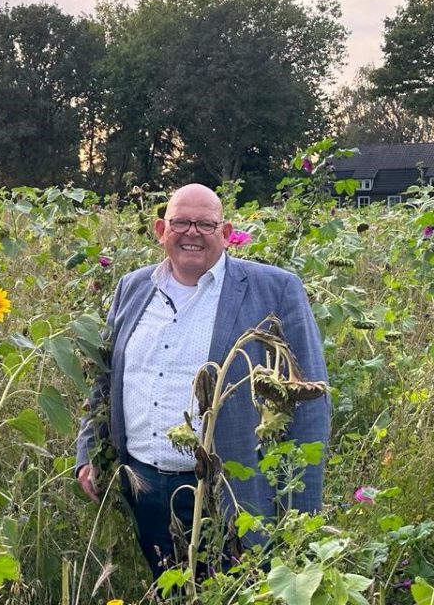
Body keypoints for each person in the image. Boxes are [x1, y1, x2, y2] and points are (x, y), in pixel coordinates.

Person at [75, 183, 330, 577]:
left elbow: (308, 399)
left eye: (206, 224)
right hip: (144, 488)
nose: (191, 232)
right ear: (161, 230)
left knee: (233, 592)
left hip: (229, 493)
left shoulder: (275, 289)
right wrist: (90, 453)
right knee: (170, 590)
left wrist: (301, 509)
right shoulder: (132, 287)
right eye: (180, 222)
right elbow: (105, 383)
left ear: (227, 233)